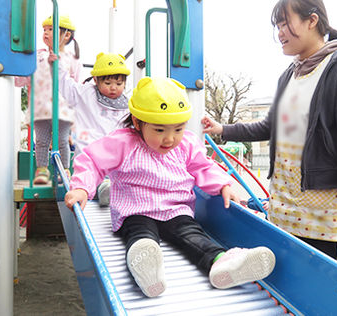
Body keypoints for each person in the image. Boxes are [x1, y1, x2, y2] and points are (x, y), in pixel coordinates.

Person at [202, 0, 337, 269]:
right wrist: (222, 128)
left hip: (324, 212)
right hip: (283, 205)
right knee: (287, 277)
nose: (280, 32)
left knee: (325, 285)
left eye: (285, 23)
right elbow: (271, 127)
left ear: (312, 21)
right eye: (277, 26)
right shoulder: (291, 74)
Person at [65, 77, 276, 298]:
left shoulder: (186, 143)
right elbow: (92, 161)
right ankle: (146, 267)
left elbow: (203, 166)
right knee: (141, 235)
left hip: (176, 210)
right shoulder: (123, 143)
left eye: (178, 129)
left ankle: (221, 262)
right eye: (159, 130)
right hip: (136, 209)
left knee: (193, 235)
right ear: (138, 123)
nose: (170, 139)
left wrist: (223, 184)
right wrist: (81, 188)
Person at [17, 15, 82, 185]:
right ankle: (42, 169)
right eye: (44, 30)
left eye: (51, 29)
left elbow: (76, 86)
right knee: (42, 140)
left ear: (66, 35)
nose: (45, 33)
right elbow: (24, 77)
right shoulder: (37, 56)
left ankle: (65, 169)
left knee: (62, 140)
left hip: (63, 107)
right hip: (41, 106)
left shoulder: (72, 59)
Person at [59, 52, 131, 206]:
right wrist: (56, 62)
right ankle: (105, 191)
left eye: (119, 84)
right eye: (108, 83)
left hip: (116, 158)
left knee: (123, 171)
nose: (113, 88)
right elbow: (64, 84)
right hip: (90, 153)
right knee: (91, 175)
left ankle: (115, 190)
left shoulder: (127, 104)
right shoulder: (85, 93)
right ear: (96, 80)